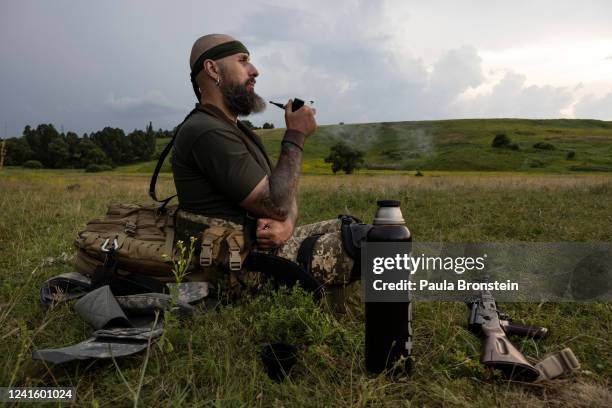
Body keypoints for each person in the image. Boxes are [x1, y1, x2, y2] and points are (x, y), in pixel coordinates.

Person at [170, 34, 357, 299]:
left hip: (257, 251)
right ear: (212, 69)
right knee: (371, 243)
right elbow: (277, 202)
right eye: (243, 61)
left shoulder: (236, 130)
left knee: (353, 229)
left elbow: (282, 190)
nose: (255, 71)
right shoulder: (206, 132)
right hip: (237, 270)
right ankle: (393, 329)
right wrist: (296, 135)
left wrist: (287, 225)